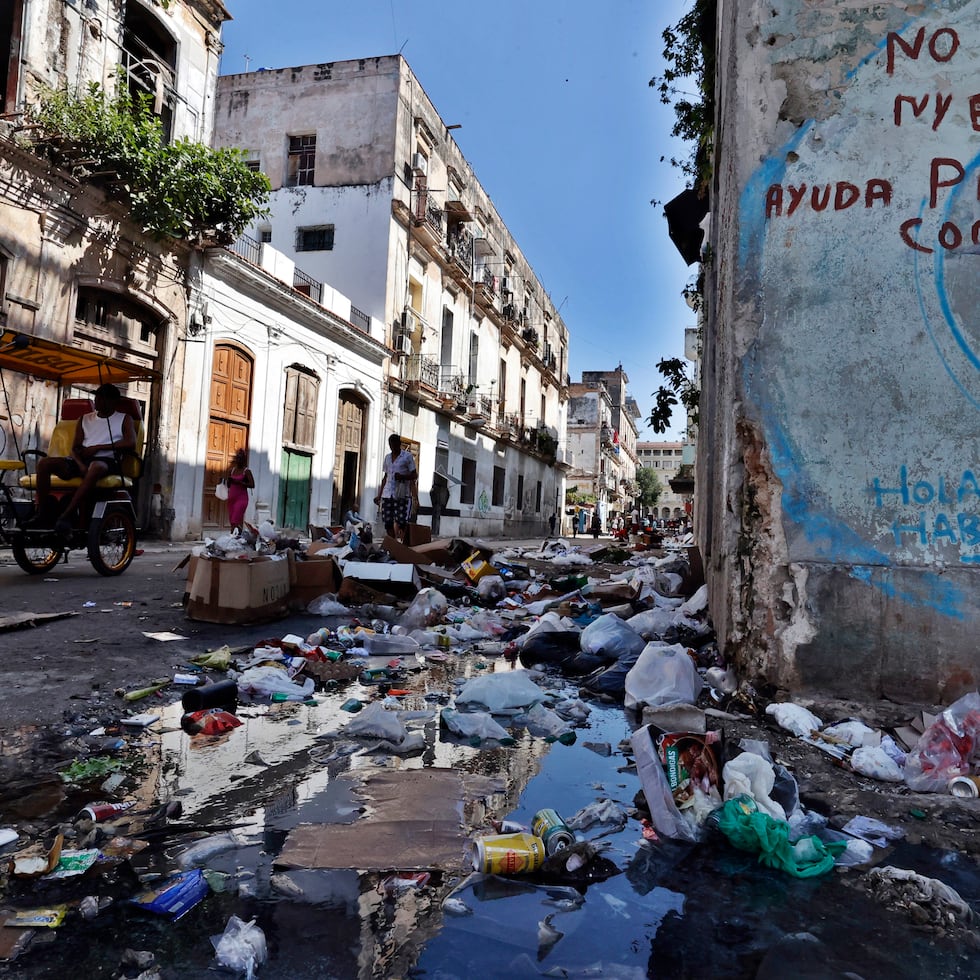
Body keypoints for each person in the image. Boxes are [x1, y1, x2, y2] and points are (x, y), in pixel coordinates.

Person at [33, 383, 136, 534]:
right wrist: (80, 464)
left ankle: (66, 515)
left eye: (102, 398)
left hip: (107, 461)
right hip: (82, 460)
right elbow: (74, 448)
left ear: (113, 401)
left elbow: (130, 443)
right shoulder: (85, 419)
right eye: (97, 397)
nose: (98, 401)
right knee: (44, 464)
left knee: (96, 466)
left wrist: (99, 447)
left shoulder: (124, 419)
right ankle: (42, 514)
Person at [374, 433, 418, 540]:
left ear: (399, 444)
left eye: (395, 444)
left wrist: (403, 476)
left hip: (402, 494)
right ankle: (393, 544)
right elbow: (385, 477)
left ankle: (402, 542)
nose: (393, 447)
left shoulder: (407, 457)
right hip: (387, 494)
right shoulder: (387, 458)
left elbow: (414, 475)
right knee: (388, 521)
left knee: (402, 521)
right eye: (391, 445)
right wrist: (379, 496)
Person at [225, 447, 255, 534]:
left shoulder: (246, 471)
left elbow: (252, 485)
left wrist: (240, 482)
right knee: (232, 520)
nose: (239, 460)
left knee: (235, 519)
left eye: (241, 458)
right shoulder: (232, 470)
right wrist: (228, 481)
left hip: (241, 499)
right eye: (238, 458)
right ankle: (239, 536)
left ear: (244, 460)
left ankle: (231, 539)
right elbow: (229, 485)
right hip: (232, 499)